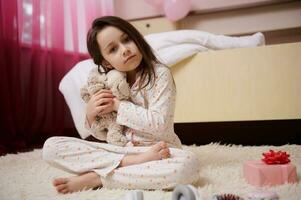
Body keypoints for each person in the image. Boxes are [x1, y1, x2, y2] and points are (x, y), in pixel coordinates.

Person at [42, 16, 199, 194]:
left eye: (126, 39)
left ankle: (99, 177)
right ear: (106, 62)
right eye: (113, 49)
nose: (125, 49)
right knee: (50, 147)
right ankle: (129, 164)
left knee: (188, 166)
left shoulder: (160, 74)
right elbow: (105, 135)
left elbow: (160, 124)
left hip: (161, 152)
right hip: (120, 152)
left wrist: (118, 105)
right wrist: (91, 115)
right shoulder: (107, 83)